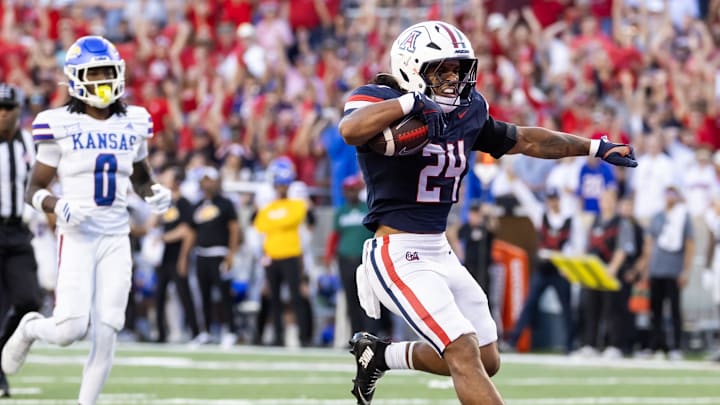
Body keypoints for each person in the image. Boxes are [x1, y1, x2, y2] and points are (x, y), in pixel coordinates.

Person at [339, 20, 637, 405]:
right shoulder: (378, 96)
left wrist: (594, 148)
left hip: (439, 248)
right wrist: (413, 103)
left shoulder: (467, 112)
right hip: (397, 251)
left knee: (487, 357)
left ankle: (380, 355)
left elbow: (525, 139)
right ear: (412, 68)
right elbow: (350, 130)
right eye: (441, 69)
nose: (453, 79)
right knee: (462, 350)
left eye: (458, 69)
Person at [1, 36, 172, 405]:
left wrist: (154, 192)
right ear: (77, 79)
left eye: (107, 72)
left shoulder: (135, 121)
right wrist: (57, 205)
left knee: (108, 327)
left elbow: (139, 177)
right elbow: (34, 188)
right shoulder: (57, 123)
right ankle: (31, 327)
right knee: (69, 330)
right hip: (77, 235)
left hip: (116, 236)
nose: (102, 81)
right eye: (93, 73)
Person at [504, 185, 583, 355]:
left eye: (554, 199)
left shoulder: (569, 220)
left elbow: (575, 246)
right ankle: (513, 340)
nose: (552, 203)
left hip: (560, 269)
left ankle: (570, 344)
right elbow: (527, 200)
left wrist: (569, 265)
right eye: (549, 199)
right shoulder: (541, 215)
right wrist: (516, 182)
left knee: (566, 307)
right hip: (543, 268)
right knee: (530, 303)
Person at [0, 83, 43, 398]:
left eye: (7, 108)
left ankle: (1, 354)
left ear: (18, 111)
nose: (2, 115)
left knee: (30, 301)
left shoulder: (30, 142)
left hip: (18, 232)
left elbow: (44, 182)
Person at [252, 157, 311, 346]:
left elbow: (288, 221)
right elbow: (261, 226)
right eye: (279, 185)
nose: (282, 188)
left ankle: (304, 337)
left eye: (284, 185)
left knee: (296, 298)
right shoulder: (268, 207)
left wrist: (276, 222)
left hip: (291, 255)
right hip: (273, 256)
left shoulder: (296, 205)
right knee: (274, 299)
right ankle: (278, 336)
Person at [188, 166, 240, 348]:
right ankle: (206, 332)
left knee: (224, 294)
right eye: (204, 180)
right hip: (201, 254)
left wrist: (231, 254)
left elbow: (234, 228)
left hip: (219, 253)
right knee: (204, 295)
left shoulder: (225, 203)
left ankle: (231, 330)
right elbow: (192, 232)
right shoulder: (197, 206)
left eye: (210, 180)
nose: (207, 184)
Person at [325, 174, 378, 336]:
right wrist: (329, 255)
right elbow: (335, 236)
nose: (350, 193)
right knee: (351, 298)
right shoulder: (341, 212)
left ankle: (373, 335)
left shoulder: (368, 209)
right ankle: (356, 335)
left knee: (369, 298)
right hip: (345, 259)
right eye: (347, 190)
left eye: (353, 190)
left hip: (365, 260)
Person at [153, 165, 200, 343]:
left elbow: (188, 231)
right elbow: (153, 224)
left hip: (178, 254)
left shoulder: (185, 204)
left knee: (184, 294)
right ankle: (161, 334)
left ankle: (196, 332)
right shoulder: (165, 203)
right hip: (164, 256)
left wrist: (183, 257)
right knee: (159, 296)